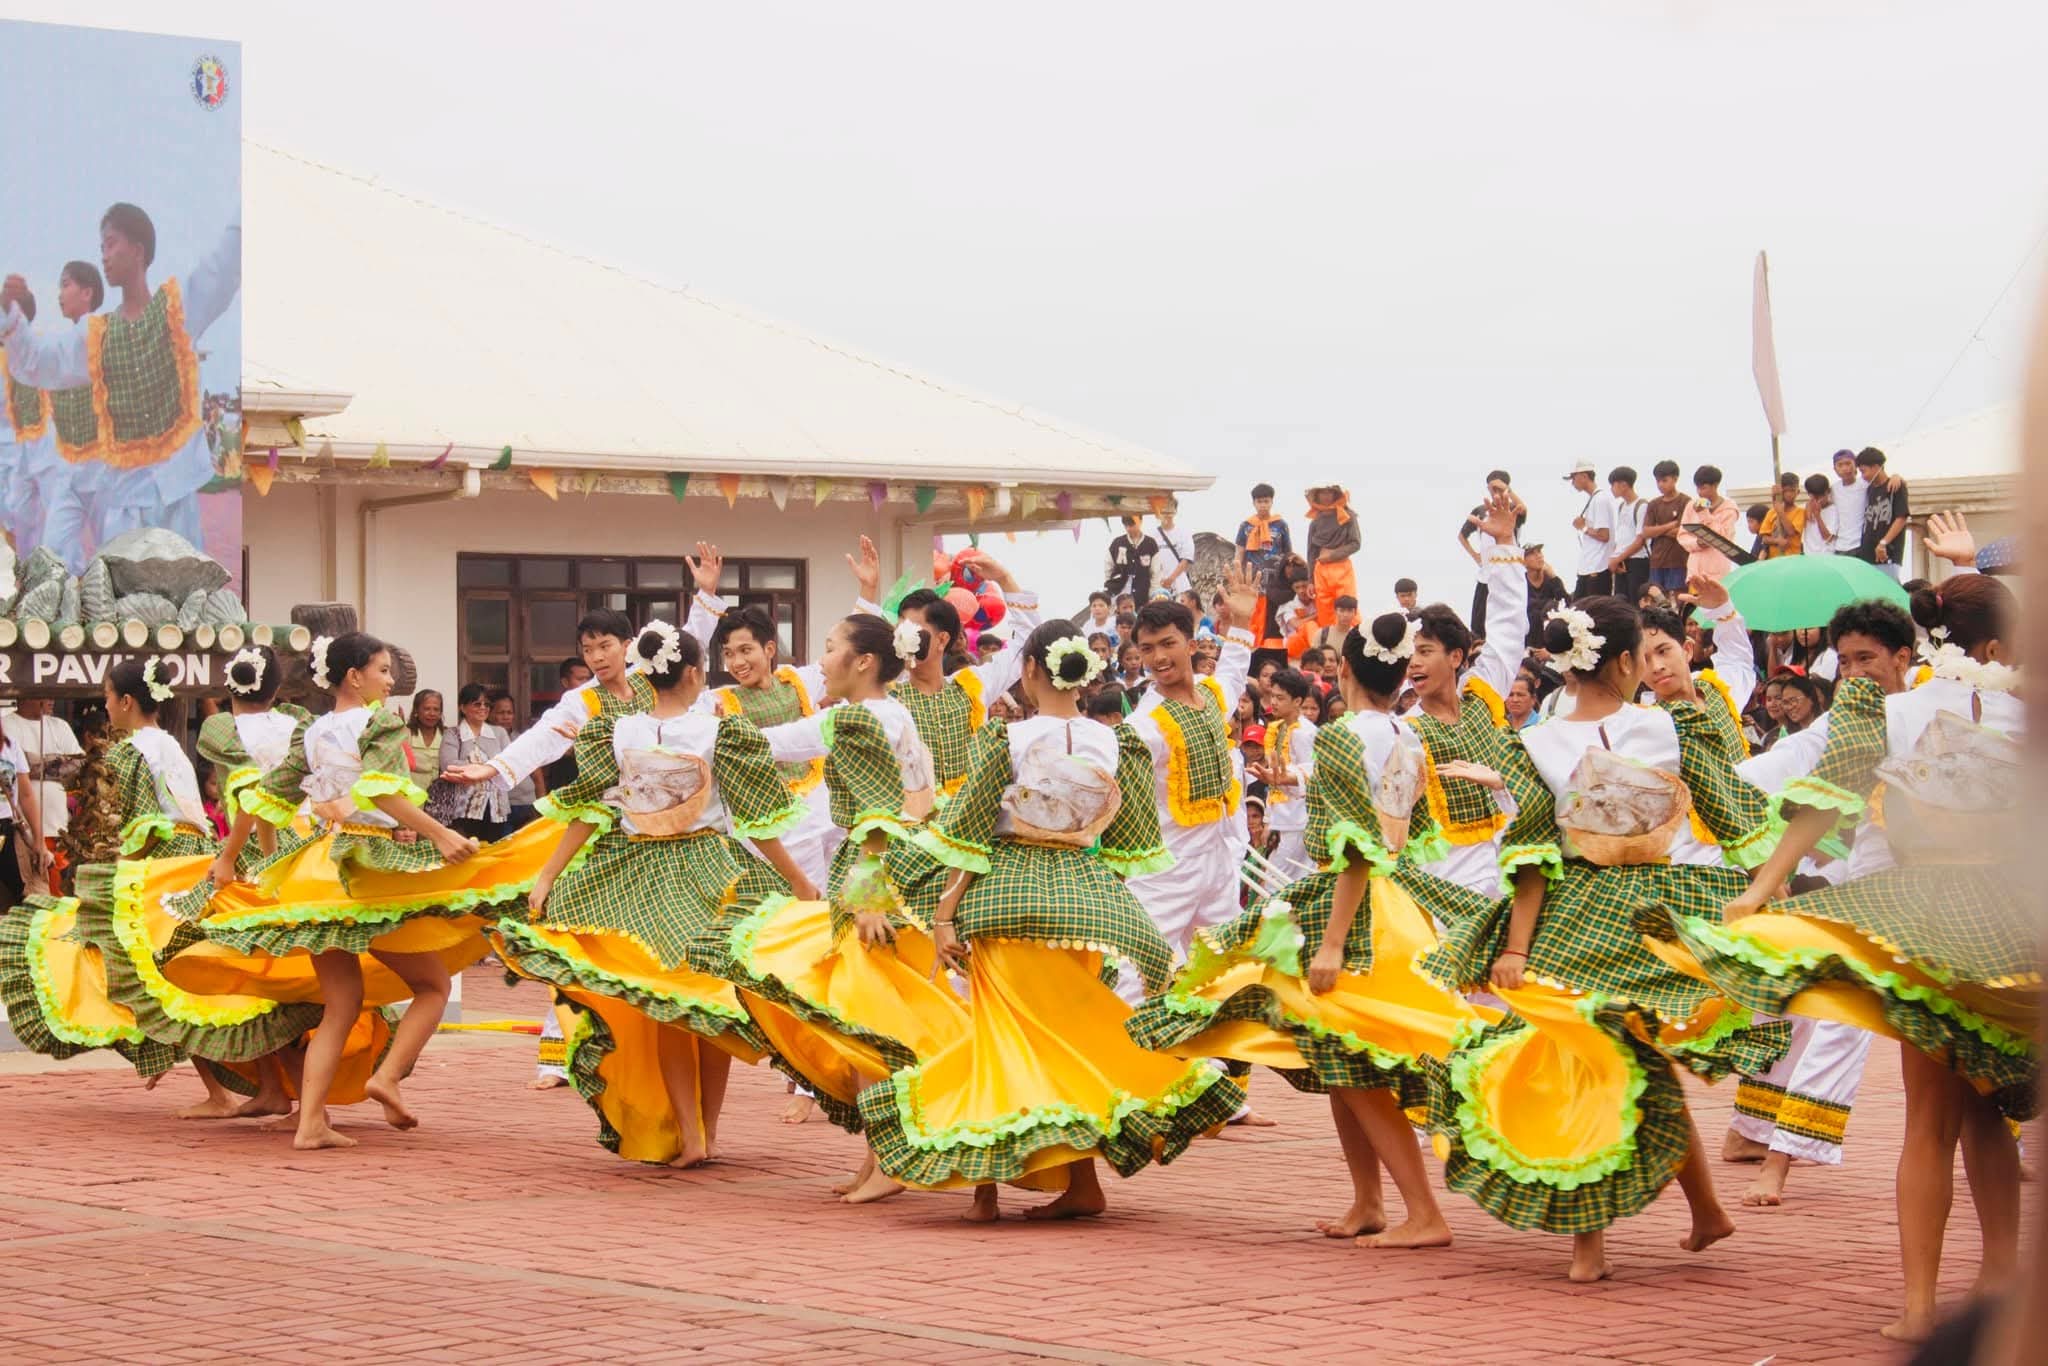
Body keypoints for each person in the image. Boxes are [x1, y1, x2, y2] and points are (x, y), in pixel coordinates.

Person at [1646, 575, 2031, 1342]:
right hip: (2008, 925)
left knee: (1929, 1120)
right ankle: (1999, 1286)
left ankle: (1921, 1306)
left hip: (1918, 919)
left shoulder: (1881, 710)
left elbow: (1821, 793)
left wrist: (1761, 886)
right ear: (1996, 646)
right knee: (1987, 1115)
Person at [1412, 594, 1781, 1283]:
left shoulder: (1628, 731)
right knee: (1602, 1064)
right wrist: (1764, 887)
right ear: (1619, 660)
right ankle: (1663, 1221)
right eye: (1643, 656)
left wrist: (1766, 889)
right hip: (1620, 913)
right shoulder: (1577, 737)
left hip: (1609, 913)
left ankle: (1644, 1227)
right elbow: (1534, 853)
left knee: (1615, 1064)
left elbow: (1534, 857)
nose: (1649, 667)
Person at [1130, 609, 1493, 1248]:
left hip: (1355, 909)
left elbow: (1353, 848)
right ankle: (1368, 1201)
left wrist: (1330, 941)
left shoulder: (1348, 734)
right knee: (1338, 1057)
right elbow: (1412, 834)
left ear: (1344, 670)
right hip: (1392, 903)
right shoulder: (1407, 734)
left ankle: (1423, 1213)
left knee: (1353, 1060)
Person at [863, 620, 1241, 1220]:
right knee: (1063, 1041)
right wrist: (1102, 898)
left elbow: (968, 836)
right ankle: (1080, 1181)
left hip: (1007, 899)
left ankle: (987, 1187)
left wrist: (942, 913)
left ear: (1033, 670)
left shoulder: (1008, 740)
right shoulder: (1114, 742)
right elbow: (1130, 841)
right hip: (1084, 902)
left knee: (1003, 1041)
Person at [188, 632, 561, 1149]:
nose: (390, 681)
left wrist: (228, 858)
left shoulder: (313, 729)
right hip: (368, 866)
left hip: (319, 867)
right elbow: (382, 792)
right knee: (431, 986)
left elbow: (261, 794)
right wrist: (442, 834)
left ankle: (312, 1122)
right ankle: (385, 1078)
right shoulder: (378, 721)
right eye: (384, 670)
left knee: (342, 1004)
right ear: (354, 676)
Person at [496, 623, 815, 1167]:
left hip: (637, 876)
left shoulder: (620, 731)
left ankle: (693, 1133)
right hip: (710, 870)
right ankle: (705, 1132)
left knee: (671, 1004)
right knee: (710, 1001)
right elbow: (758, 822)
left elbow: (590, 812)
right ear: (694, 674)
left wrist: (549, 874)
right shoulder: (718, 732)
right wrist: (796, 879)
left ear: (646, 672)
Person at [691, 611, 966, 1204]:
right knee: (873, 1016)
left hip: (879, 876)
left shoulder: (861, 719)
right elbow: (773, 744)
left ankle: (891, 1158)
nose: (823, 659)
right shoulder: (879, 713)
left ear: (864, 662)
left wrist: (868, 899)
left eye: (832, 647)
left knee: (868, 1019)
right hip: (906, 869)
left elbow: (872, 817)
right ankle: (881, 1157)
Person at [0, 658, 326, 1121]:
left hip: (163, 865)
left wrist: (115, 881)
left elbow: (137, 826)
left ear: (127, 701)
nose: (107, 708)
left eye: (109, 698)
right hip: (198, 857)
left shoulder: (127, 752)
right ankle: (260, 1084)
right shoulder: (170, 742)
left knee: (161, 977)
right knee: (200, 978)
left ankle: (223, 1088)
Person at [1714, 599, 1917, 1208]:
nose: (1853, 672)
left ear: (1903, 657)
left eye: (1867, 658)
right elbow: (1788, 766)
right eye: (1845, 660)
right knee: (1833, 1009)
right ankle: (1772, 1147)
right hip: (1876, 877)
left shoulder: (1935, 702)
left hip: (1959, 881)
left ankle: (2007, 1142)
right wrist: (1710, 782)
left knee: (1986, 1018)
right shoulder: (1844, 722)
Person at [2, 205, 240, 546]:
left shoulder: (177, 311)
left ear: (139, 250)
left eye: (111, 244)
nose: (104, 256)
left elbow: (222, 268)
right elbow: (41, 362)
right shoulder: (96, 335)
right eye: (101, 248)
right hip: (124, 503)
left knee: (184, 593)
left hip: (175, 497)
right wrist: (11, 314)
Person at [1119, 566, 1261, 982]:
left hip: (1217, 859)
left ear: (1191, 643)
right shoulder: (1146, 725)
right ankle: (1119, 1046)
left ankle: (1223, 1046)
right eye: (1147, 649)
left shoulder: (1211, 694)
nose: (1158, 658)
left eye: (1168, 644)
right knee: (1137, 971)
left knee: (1228, 967)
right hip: (1167, 867)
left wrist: (1243, 621)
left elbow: (1234, 670)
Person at [852, 544, 1041, 803]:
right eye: (901, 627)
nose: (903, 635)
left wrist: (1005, 579)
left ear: (941, 640)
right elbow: (849, 657)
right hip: (910, 826)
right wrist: (867, 591)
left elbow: (1029, 643)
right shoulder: (887, 696)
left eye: (913, 627)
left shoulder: (973, 685)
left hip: (966, 825)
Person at [2, 697, 79, 899]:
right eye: (40, 693)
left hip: (16, 827)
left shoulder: (11, 745)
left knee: (37, 890)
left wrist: (38, 840)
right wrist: (55, 762)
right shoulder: (10, 724)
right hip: (25, 827)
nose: (50, 698)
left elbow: (77, 766)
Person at [1252, 668, 1317, 876]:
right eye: (1272, 696)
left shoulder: (1304, 733)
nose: (1274, 702)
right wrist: (1269, 820)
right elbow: (1275, 781)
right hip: (1283, 819)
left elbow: (1310, 775)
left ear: (1297, 701)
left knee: (1276, 882)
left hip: (1300, 821)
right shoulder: (1278, 727)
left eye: (1280, 698)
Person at [1457, 470, 1528, 630]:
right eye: (1492, 488)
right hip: (1486, 574)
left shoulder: (1512, 509)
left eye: (1498, 488)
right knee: (1479, 623)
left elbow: (1523, 510)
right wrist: (1476, 556)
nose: (1494, 491)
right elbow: (1462, 536)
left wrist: (1507, 490)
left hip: (1509, 570)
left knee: (1512, 618)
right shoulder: (1481, 510)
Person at [440, 684, 512, 841]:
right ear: (463, 707)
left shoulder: (499, 733)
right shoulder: (453, 733)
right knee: (467, 852)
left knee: (493, 854)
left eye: (486, 704)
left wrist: (477, 768)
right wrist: (489, 768)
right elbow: (448, 765)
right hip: (464, 807)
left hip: (496, 807)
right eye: (477, 704)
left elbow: (508, 763)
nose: (483, 708)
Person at [1303, 484, 1361, 628]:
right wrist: (1310, 581)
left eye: (1330, 492)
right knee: (1325, 612)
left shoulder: (1348, 516)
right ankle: (1328, 647)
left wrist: (1333, 555)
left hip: (1342, 568)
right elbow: (1311, 552)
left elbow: (1355, 543)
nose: (1326, 496)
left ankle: (1354, 644)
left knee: (1348, 608)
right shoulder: (1315, 522)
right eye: (1323, 493)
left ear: (1336, 494)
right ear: (1317, 496)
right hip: (1320, 570)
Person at [0, 723, 42, 907]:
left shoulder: (11, 746)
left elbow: (26, 795)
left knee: (21, 893)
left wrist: (39, 840)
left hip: (6, 828)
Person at [1678, 465, 1742, 581]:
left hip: (1717, 572)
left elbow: (1723, 538)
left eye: (1704, 488)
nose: (1700, 492)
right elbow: (1682, 535)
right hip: (1695, 570)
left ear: (1715, 485)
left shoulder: (1729, 509)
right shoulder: (1691, 506)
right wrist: (1697, 543)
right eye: (1697, 488)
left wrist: (1704, 514)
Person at [1855, 447, 1910, 578]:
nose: (1863, 476)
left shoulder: (1895, 486)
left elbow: (1901, 517)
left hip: (1888, 552)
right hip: (1868, 553)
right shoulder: (1870, 489)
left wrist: (1883, 543)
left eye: (1864, 471)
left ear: (1875, 467)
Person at [488, 692, 539, 827]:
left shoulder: (522, 739)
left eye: (509, 713)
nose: (506, 717)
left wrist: (541, 805)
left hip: (527, 804)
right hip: (501, 806)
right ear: (489, 714)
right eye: (501, 713)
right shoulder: (486, 740)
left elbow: (537, 775)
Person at [1565, 460, 1615, 598]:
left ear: (1584, 476)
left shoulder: (1600, 499)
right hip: (1589, 567)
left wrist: (1584, 527)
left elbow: (1604, 535)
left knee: (1593, 612)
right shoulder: (1595, 499)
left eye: (1574, 478)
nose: (1573, 483)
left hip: (1597, 568)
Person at [1606, 466, 1650, 601]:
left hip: (1637, 561)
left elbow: (1639, 541)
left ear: (1624, 485)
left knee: (1637, 602)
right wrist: (1616, 558)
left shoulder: (1642, 505)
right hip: (1622, 561)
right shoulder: (1621, 506)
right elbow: (1621, 537)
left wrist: (1618, 559)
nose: (1611, 489)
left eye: (1613, 485)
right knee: (1621, 603)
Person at [1235, 482, 1292, 576]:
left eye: (1266, 501)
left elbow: (1288, 552)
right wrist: (1237, 575)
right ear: (1254, 503)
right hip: (1251, 577)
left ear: (1272, 502)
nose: (1263, 505)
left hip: (1276, 576)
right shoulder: (1246, 526)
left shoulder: (1281, 525)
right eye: (1259, 501)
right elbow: (1239, 553)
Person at [1103, 514, 1161, 603]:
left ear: (1140, 522)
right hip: (1118, 595)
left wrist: (1152, 595)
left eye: (1131, 525)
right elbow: (1108, 567)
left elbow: (1155, 573)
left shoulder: (1150, 544)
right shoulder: (1117, 543)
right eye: (1126, 525)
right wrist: (1109, 588)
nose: (1128, 528)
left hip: (1141, 596)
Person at [1520, 544, 1567, 649]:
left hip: (1549, 640)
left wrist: (1554, 577)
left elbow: (1567, 604)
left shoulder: (1551, 580)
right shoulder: (1520, 583)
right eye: (1532, 554)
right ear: (1523, 561)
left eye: (1539, 552)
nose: (1538, 556)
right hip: (1527, 641)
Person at [405, 690, 446, 794]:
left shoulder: (447, 735)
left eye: (436, 709)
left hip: (439, 800)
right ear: (416, 711)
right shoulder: (406, 733)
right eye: (427, 709)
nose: (432, 713)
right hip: (411, 798)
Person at [1758, 472, 1806, 559]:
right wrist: (1776, 541)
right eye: (1785, 491)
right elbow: (1764, 538)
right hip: (1774, 560)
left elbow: (1790, 531)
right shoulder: (1771, 512)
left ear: (1797, 492)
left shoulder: (1800, 512)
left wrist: (1780, 512)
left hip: (1792, 558)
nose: (1788, 494)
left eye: (1792, 490)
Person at [1801, 473, 1839, 556]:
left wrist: (1818, 516)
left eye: (1822, 496)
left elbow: (1827, 538)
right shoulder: (1803, 508)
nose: (1819, 500)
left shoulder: (1834, 510)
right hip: (1808, 556)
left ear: (1828, 492)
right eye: (1815, 497)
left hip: (1827, 556)